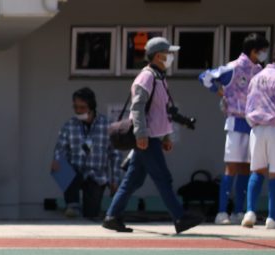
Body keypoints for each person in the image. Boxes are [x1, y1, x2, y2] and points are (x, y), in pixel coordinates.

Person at [103, 37, 204, 234]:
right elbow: (138, 107)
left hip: (151, 137)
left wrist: (166, 137)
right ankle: (180, 217)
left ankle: (112, 216)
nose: (171, 57)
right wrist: (141, 134)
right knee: (163, 178)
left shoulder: (158, 77)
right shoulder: (147, 77)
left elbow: (161, 111)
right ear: (158, 56)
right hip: (146, 138)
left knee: (133, 180)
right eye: (168, 54)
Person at [199, 34, 266, 224]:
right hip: (235, 122)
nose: (264, 54)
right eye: (262, 50)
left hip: (253, 124)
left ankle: (238, 211)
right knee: (232, 167)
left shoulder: (259, 70)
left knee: (246, 168)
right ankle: (222, 212)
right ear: (253, 51)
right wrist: (219, 91)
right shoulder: (233, 67)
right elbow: (205, 76)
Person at [51, 87, 122, 219]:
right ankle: (72, 206)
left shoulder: (108, 125)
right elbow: (60, 149)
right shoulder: (69, 126)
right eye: (76, 107)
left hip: (97, 174)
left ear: (92, 107)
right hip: (75, 171)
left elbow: (115, 155)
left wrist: (115, 180)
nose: (78, 111)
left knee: (91, 215)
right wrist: (57, 161)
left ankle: (89, 219)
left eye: (82, 107)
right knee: (60, 165)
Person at [241, 52, 275, 229]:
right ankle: (272, 217)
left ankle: (250, 212)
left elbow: (248, 103)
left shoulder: (256, 77)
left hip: (256, 128)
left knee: (256, 171)